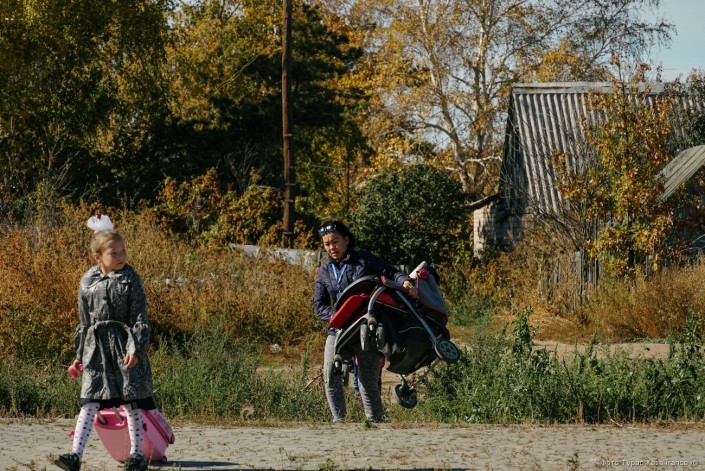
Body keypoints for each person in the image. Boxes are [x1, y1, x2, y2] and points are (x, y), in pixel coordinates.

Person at [55, 219, 154, 471]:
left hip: (123, 346)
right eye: (114, 253)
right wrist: (80, 354)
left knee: (131, 401)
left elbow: (140, 317)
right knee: (89, 399)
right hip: (96, 348)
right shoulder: (88, 281)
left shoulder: (131, 279)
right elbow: (84, 321)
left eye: (123, 251)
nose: (121, 256)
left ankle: (136, 455)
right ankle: (75, 456)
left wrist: (135, 348)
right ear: (97, 256)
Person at [313, 220, 416, 423]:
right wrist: (338, 316)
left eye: (335, 241)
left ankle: (375, 422)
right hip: (339, 330)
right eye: (327, 244)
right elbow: (319, 305)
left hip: (366, 328)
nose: (332, 247)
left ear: (346, 240)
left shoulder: (364, 259)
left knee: (367, 381)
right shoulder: (324, 272)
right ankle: (339, 421)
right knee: (331, 376)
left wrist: (405, 281)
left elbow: (391, 271)